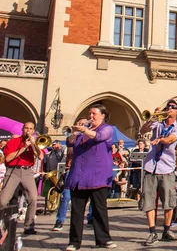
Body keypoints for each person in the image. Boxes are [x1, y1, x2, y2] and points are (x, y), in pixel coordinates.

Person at [64, 104, 117, 250]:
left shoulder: (107, 128)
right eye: (89, 114)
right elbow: (69, 142)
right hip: (79, 176)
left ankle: (103, 239)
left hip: (97, 176)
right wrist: (76, 132)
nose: (91, 116)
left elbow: (99, 137)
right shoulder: (82, 132)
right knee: (77, 211)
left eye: (94, 114)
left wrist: (85, 130)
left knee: (99, 209)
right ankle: (74, 242)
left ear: (103, 115)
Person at [138, 99, 177, 245]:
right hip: (151, 166)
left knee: (169, 201)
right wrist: (153, 117)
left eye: (173, 107)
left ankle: (166, 230)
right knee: (149, 201)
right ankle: (152, 232)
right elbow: (143, 131)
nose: (169, 109)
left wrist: (161, 140)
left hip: (167, 168)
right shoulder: (158, 123)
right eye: (168, 106)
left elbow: (171, 139)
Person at [0, 121, 44, 235]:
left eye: (30, 129)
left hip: (27, 171)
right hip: (13, 171)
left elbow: (40, 156)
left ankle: (29, 226)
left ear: (33, 131)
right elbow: (8, 159)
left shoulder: (34, 143)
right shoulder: (13, 142)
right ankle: (2, 224)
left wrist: (33, 145)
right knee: (3, 200)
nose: (28, 131)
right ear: (22, 129)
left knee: (33, 198)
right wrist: (24, 147)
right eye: (26, 128)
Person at [53, 118, 88, 231]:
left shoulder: (89, 136)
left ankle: (91, 218)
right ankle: (60, 221)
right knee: (66, 197)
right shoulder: (72, 137)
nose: (82, 125)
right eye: (80, 124)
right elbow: (70, 143)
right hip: (72, 170)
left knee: (91, 197)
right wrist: (76, 132)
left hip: (87, 171)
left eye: (84, 124)